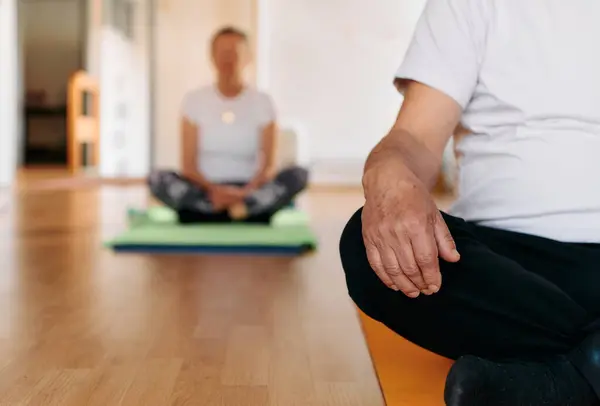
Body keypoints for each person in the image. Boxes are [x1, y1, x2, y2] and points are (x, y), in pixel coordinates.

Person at [339, 1, 600, 405]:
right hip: (507, 273)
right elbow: (415, 138)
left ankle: (562, 383)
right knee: (368, 245)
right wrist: (388, 177)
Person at [148, 27, 308, 223]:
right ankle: (243, 212)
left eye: (234, 53)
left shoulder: (263, 102)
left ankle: (211, 213)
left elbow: (268, 166)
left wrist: (243, 193)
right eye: (222, 53)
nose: (228, 59)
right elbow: (188, 166)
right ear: (212, 57)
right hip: (205, 189)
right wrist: (215, 191)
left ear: (247, 57)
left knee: (299, 174)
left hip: (250, 189)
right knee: (157, 178)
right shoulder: (194, 101)